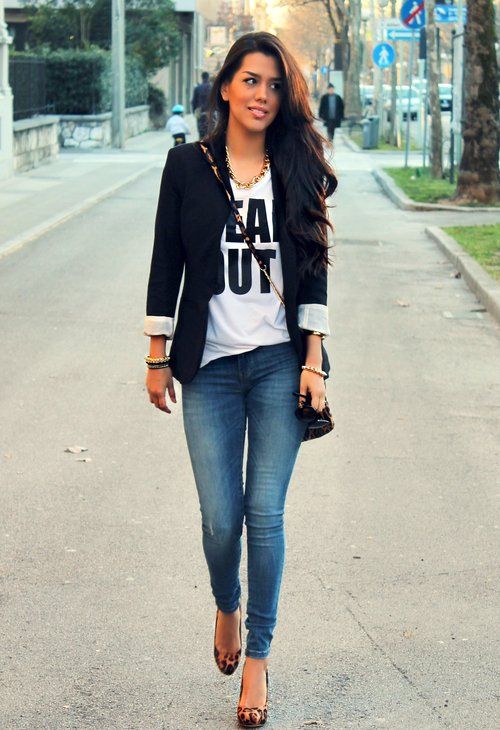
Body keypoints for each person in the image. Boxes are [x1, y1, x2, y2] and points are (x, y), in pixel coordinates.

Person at [143, 31, 337, 727]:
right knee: (221, 521)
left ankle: (257, 656)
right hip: (211, 368)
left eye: (275, 85)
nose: (262, 95)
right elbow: (166, 260)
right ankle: (226, 604)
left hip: (280, 363)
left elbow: (313, 270)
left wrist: (313, 360)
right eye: (251, 80)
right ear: (225, 86)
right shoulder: (185, 167)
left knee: (265, 514)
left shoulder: (298, 165)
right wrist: (157, 353)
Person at [191, 70, 212, 138]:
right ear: (208, 77)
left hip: (200, 112)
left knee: (201, 132)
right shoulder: (212, 88)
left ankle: (201, 142)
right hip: (210, 112)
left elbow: (193, 101)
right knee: (210, 132)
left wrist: (194, 111)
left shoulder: (197, 88)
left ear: (202, 78)